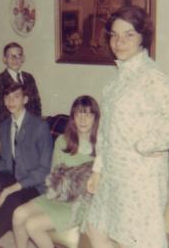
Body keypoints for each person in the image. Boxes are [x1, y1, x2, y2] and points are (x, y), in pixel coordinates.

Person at [86, 6, 169, 248]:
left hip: (140, 176)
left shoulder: (153, 77)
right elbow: (104, 131)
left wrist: (146, 144)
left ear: (142, 37)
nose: (119, 42)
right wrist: (97, 170)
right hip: (112, 173)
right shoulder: (114, 83)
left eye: (128, 35)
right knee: (96, 227)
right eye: (114, 35)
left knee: (133, 239)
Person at [0, 82, 53, 245]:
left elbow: (44, 170)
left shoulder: (40, 126)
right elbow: (5, 162)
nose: (10, 101)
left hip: (34, 183)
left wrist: (14, 187)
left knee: (13, 198)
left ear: (25, 99)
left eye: (16, 96)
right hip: (11, 175)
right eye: (7, 97)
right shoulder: (5, 125)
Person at [13, 95, 100, 248]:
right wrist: (55, 190)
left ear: (95, 118)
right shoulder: (62, 140)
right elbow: (53, 174)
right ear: (73, 117)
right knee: (18, 214)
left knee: (33, 225)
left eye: (88, 114)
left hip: (79, 205)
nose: (83, 119)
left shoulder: (101, 146)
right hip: (58, 196)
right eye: (79, 114)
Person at [0, 42, 42, 150]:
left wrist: (37, 129)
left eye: (18, 56)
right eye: (10, 56)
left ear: (23, 58)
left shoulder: (29, 78)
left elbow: (37, 105)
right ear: (4, 59)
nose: (15, 59)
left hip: (30, 130)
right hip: (9, 132)